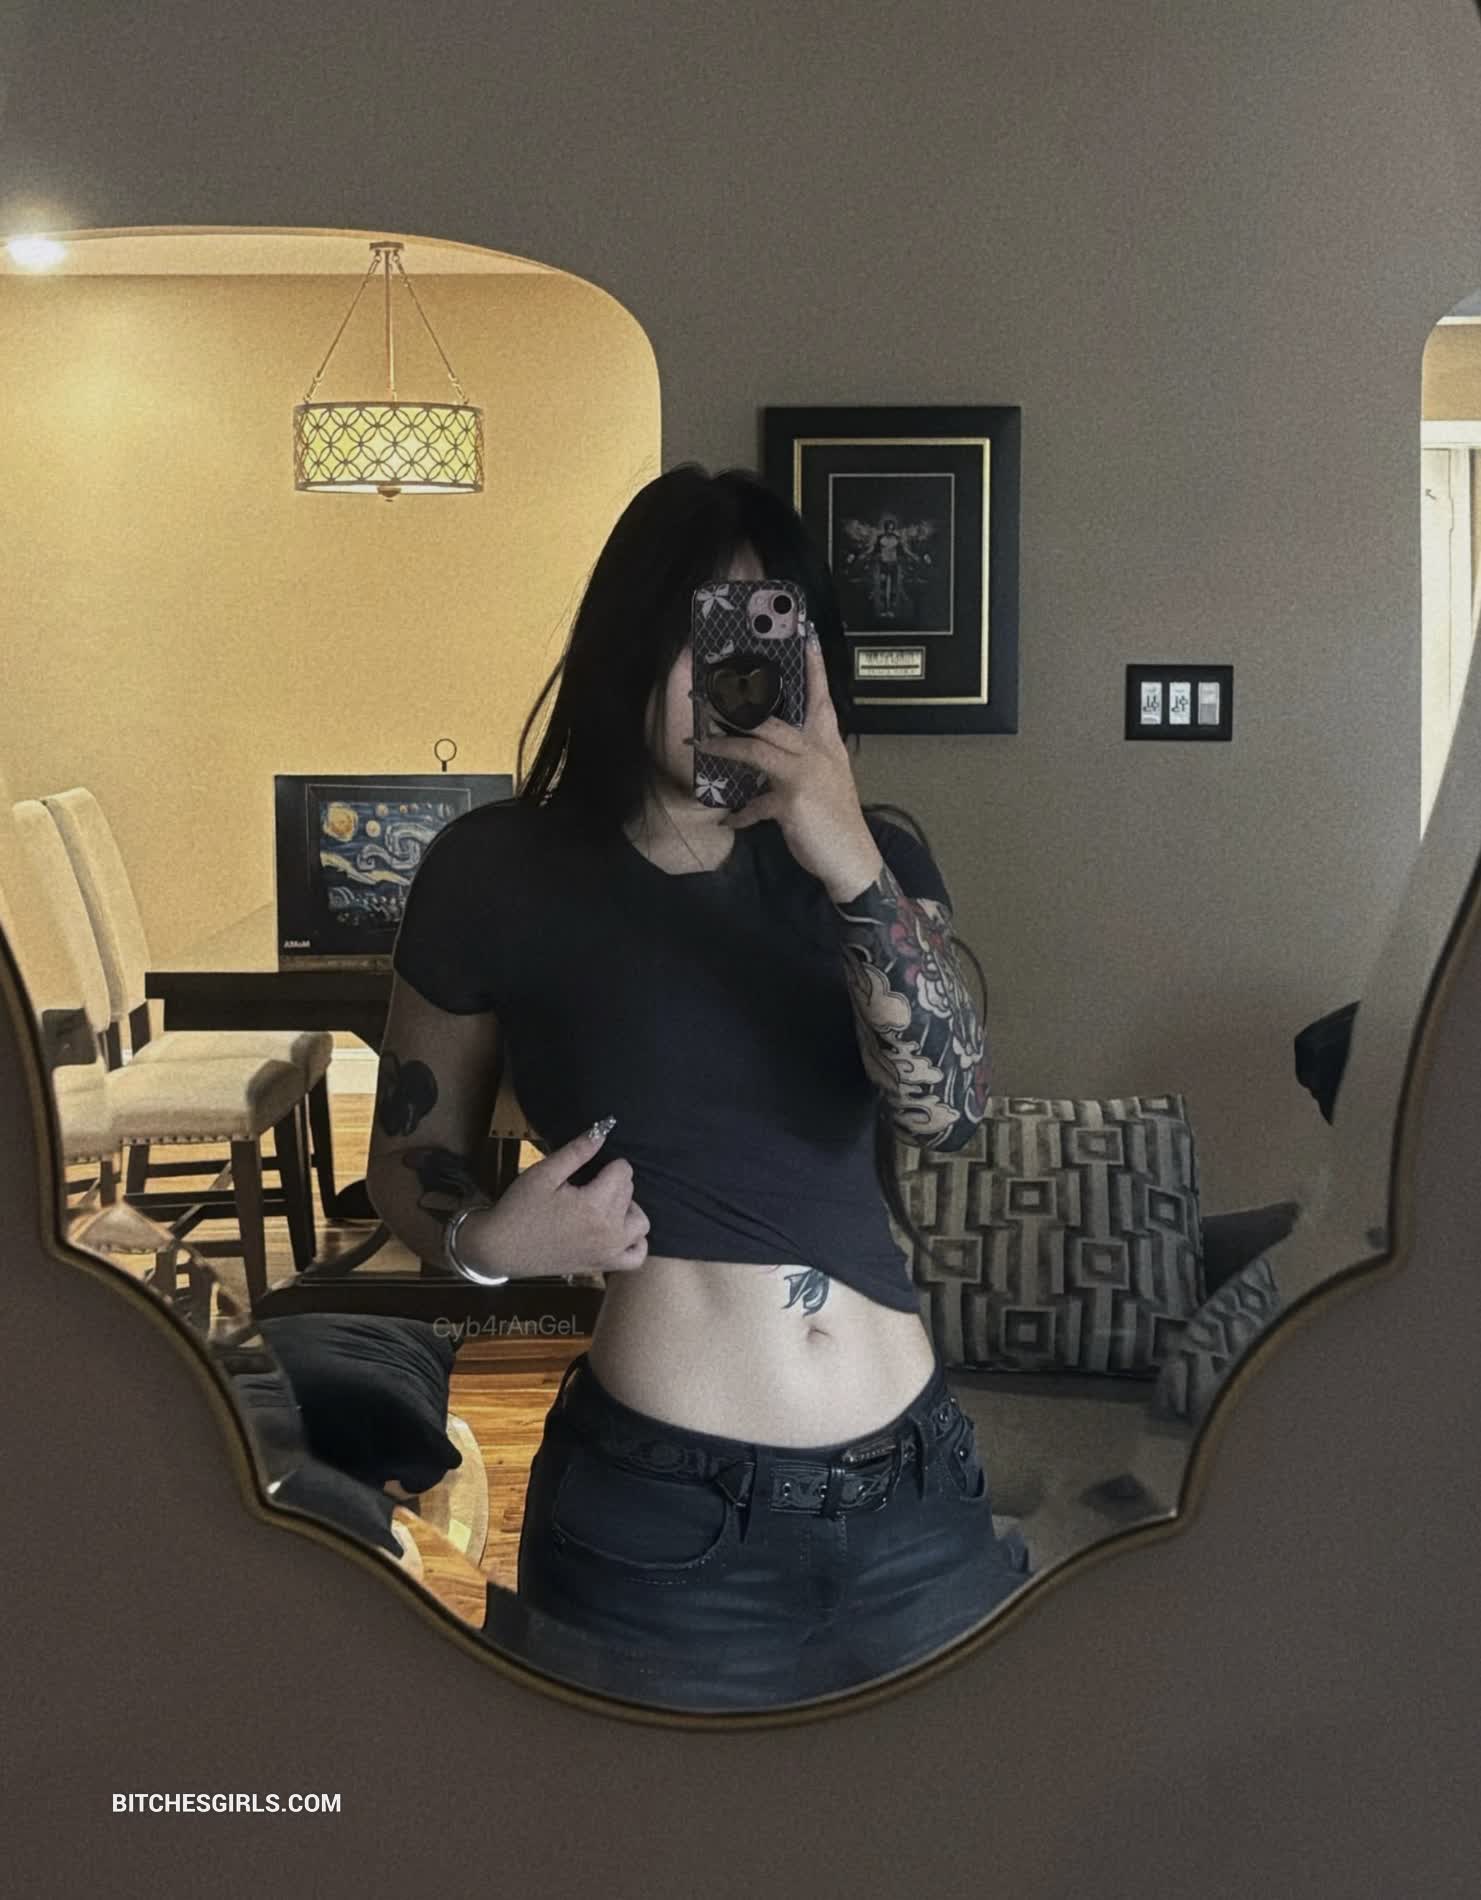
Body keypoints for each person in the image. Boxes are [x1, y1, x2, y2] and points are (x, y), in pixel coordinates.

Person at [366, 464, 1030, 1710]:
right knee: (646, 1823)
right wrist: (486, 1242)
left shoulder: (872, 857)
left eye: (758, 634)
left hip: (917, 1500)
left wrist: (844, 853)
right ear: (625, 643)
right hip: (661, 1523)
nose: (718, 675)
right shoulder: (495, 869)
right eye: (689, 631)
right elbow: (405, 1155)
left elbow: (946, 1110)